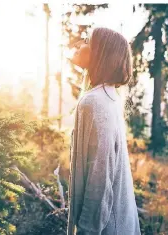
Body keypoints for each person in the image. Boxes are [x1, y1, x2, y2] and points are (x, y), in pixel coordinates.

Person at [67, 27, 141, 235]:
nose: (80, 45)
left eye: (87, 41)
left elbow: (100, 175)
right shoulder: (108, 97)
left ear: (100, 54)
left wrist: (87, 231)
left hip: (108, 228)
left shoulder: (95, 102)